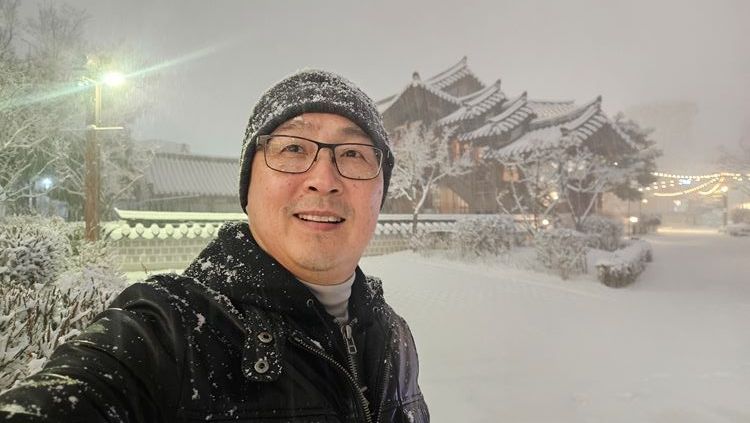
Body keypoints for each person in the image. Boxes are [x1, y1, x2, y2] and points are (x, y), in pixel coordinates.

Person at [0, 70, 428, 422]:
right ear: (248, 186)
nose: (324, 179)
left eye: (353, 154)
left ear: (380, 191)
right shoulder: (169, 330)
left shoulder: (393, 335)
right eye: (294, 148)